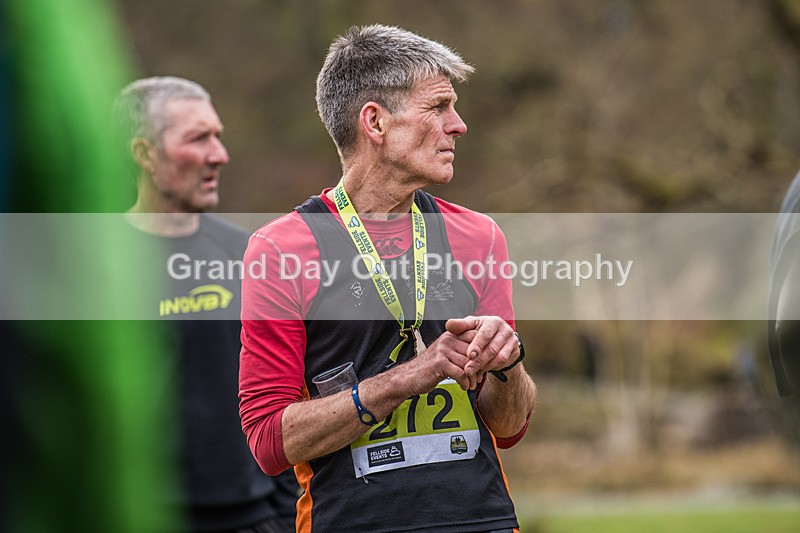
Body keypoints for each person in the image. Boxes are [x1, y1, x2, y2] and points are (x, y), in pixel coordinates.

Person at [239, 25, 536, 532]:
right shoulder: (281, 249)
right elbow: (270, 443)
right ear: (375, 122)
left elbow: (508, 427)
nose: (458, 124)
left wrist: (507, 363)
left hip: (480, 521)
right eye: (438, 106)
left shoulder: (479, 236)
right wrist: (407, 378)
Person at [114, 76, 298, 532]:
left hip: (254, 518)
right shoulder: (91, 262)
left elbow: (288, 393)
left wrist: (283, 511)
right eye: (198, 139)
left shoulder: (251, 255)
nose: (220, 154)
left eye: (218, 136)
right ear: (144, 154)